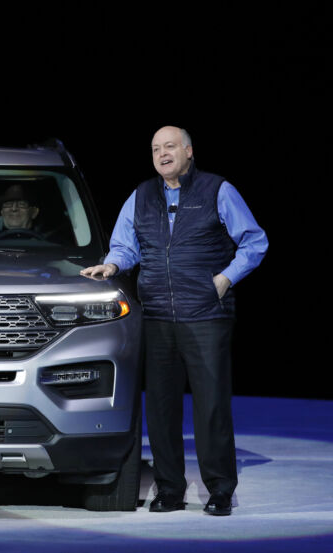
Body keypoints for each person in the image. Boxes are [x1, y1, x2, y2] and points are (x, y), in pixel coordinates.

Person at [80, 126, 268, 516]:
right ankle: (169, 490)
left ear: (188, 151)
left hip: (206, 315)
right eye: (155, 149)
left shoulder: (218, 190)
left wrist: (223, 279)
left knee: (211, 406)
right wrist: (113, 263)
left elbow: (255, 241)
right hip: (159, 317)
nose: (162, 154)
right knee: (161, 408)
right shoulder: (141, 195)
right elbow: (125, 245)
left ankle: (219, 489)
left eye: (169, 147)